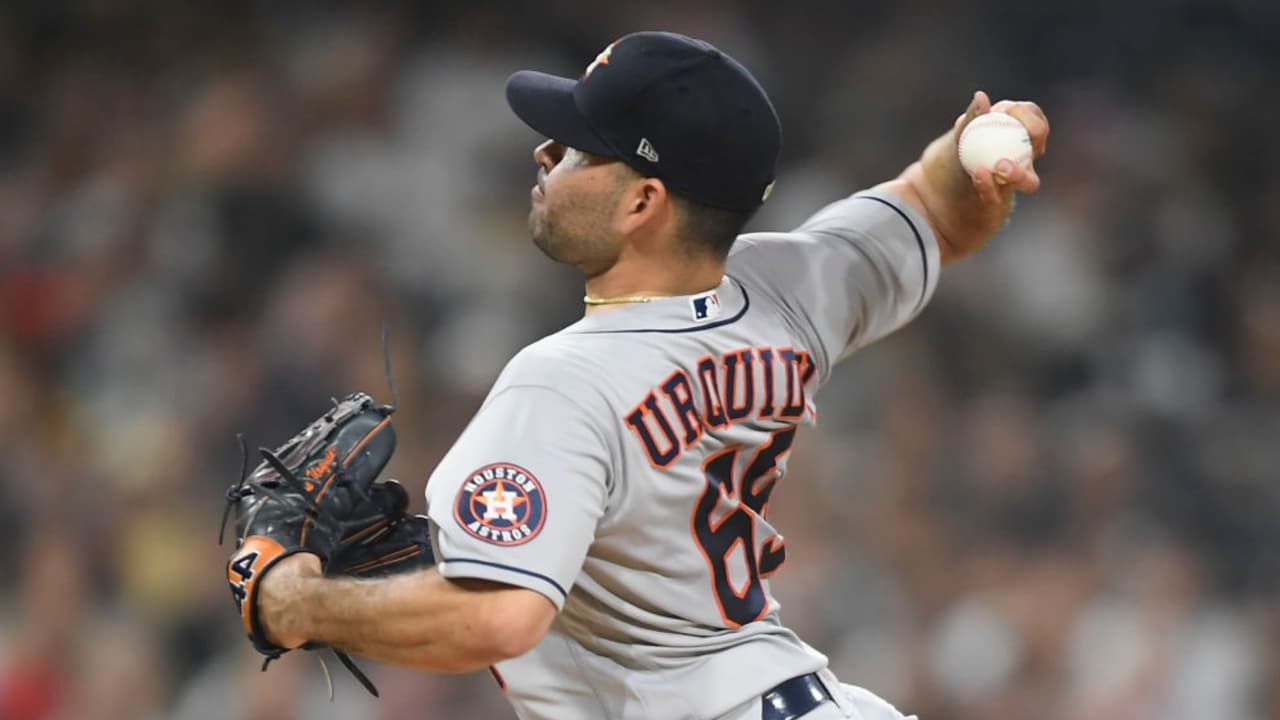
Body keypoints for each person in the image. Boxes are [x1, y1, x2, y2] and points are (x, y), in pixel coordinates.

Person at [255, 30, 1048, 720]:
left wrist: (294, 602)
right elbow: (938, 207)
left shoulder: (561, 380)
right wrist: (981, 148)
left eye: (575, 148)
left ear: (643, 201)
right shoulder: (791, 286)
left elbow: (496, 619)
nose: (545, 153)